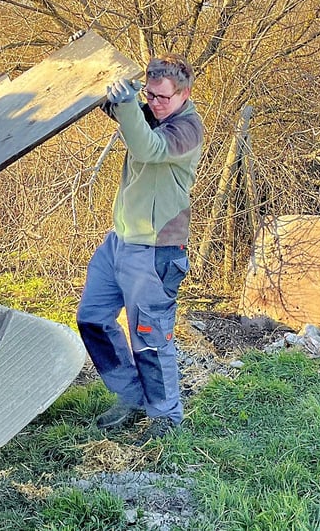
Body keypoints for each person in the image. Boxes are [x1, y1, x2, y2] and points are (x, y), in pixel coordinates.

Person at [76, 54, 204, 442]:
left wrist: (130, 105)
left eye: (163, 97)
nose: (156, 103)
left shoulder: (187, 131)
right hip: (118, 243)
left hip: (155, 251)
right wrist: (82, 68)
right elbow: (114, 109)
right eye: (150, 95)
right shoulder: (149, 112)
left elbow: (147, 147)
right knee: (92, 318)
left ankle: (166, 418)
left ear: (183, 94)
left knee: (150, 337)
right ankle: (130, 396)